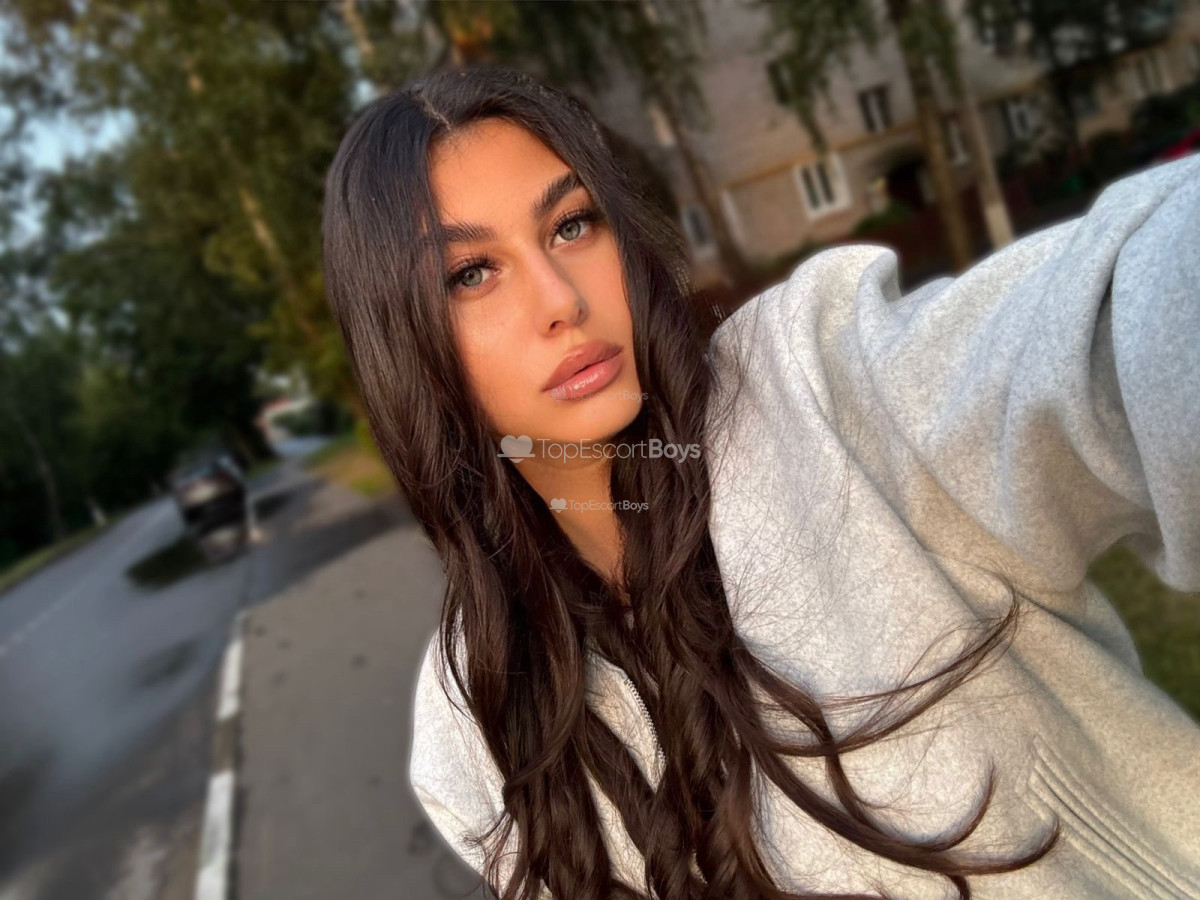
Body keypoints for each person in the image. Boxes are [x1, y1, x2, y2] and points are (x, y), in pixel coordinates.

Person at [320, 63, 1200, 900]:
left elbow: (1115, 322)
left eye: (572, 225)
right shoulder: (467, 730)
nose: (562, 300)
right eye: (472, 274)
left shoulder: (825, 395)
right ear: (405, 344)